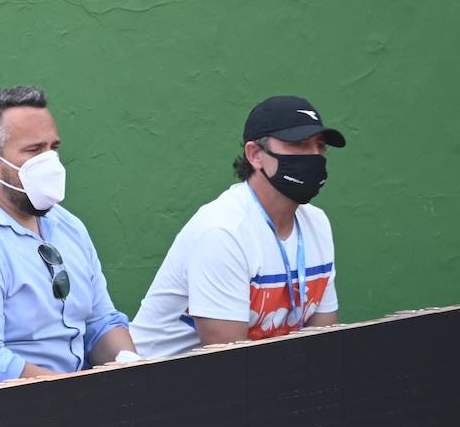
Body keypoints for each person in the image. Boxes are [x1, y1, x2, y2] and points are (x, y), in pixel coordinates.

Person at [0, 86, 136, 395]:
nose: (50, 162)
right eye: (34, 151)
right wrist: (87, 397)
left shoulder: (68, 226)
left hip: (65, 409)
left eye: (53, 148)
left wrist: (132, 369)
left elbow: (100, 324)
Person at [131, 96, 345, 359]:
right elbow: (231, 366)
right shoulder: (222, 232)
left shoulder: (317, 224)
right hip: (162, 387)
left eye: (320, 147)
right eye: (299, 145)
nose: (314, 157)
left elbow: (324, 346)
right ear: (255, 155)